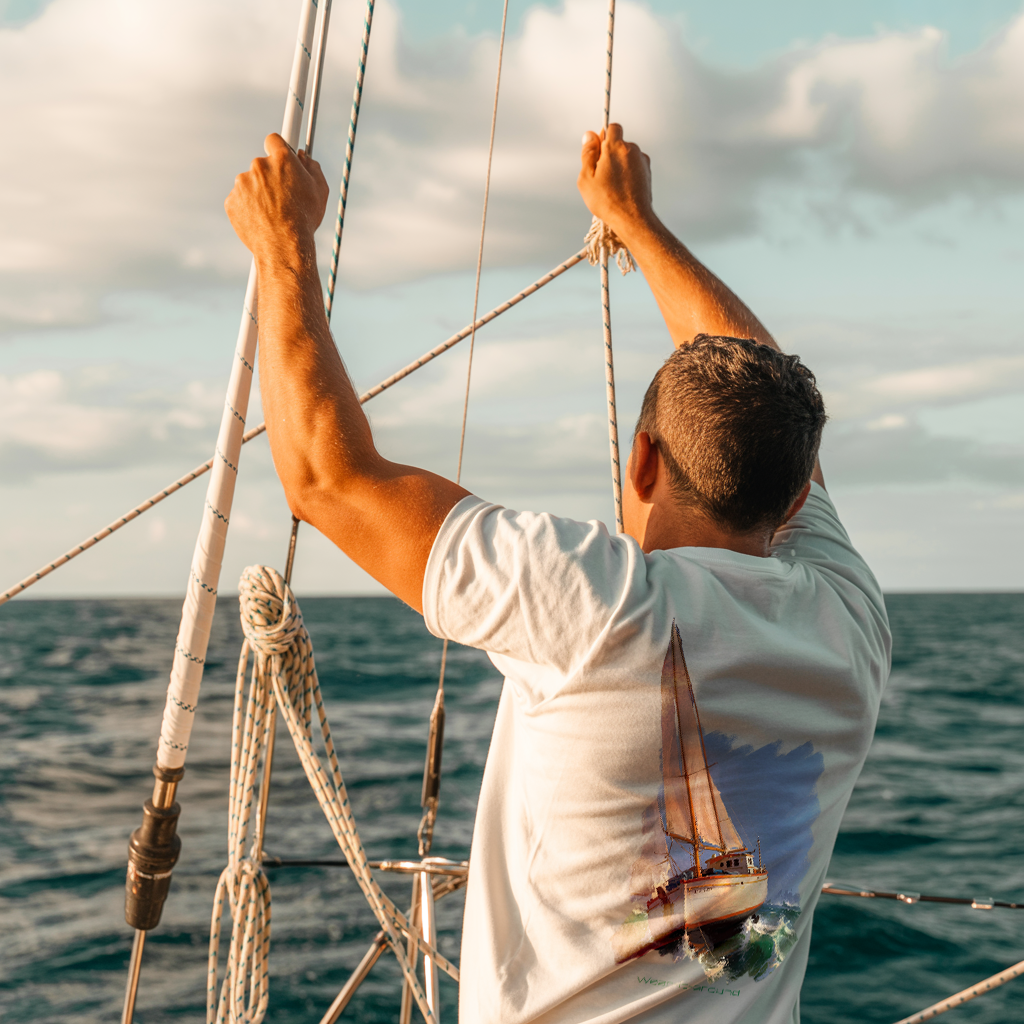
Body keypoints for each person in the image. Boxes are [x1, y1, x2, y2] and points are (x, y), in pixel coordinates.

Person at [225, 124, 890, 1023]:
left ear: (643, 462)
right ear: (799, 485)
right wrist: (638, 223)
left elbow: (327, 479)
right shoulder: (849, 618)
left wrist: (282, 243)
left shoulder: (598, 603)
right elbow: (761, 393)